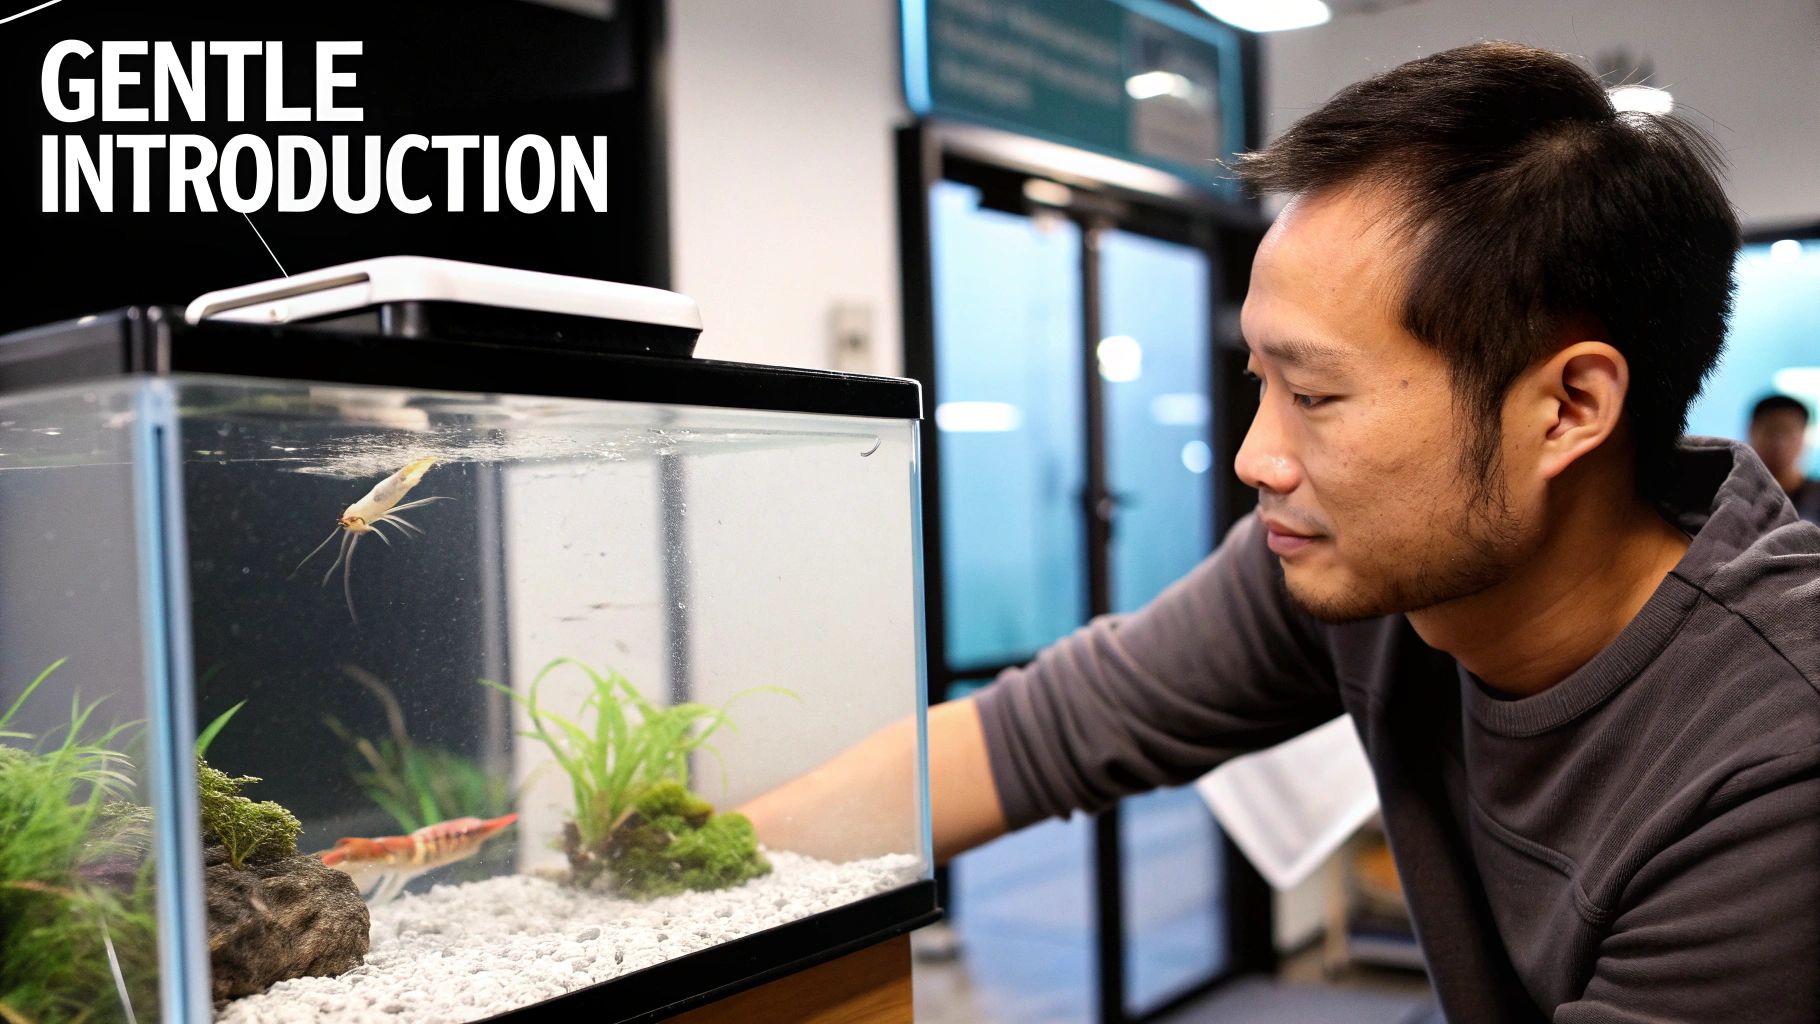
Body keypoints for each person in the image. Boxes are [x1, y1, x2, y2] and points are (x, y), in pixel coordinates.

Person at [740, 41, 1820, 1022]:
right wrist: (681, 879)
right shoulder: (1365, 561)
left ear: (1567, 408)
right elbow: (1041, 731)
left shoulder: (1774, 769)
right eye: (1257, 381)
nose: (1255, 457)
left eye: (1312, 394)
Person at [1748, 393, 1820, 523]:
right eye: (1771, 431)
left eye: (1789, 432)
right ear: (1751, 431)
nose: (1780, 442)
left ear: (1804, 436)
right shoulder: (1732, 492)